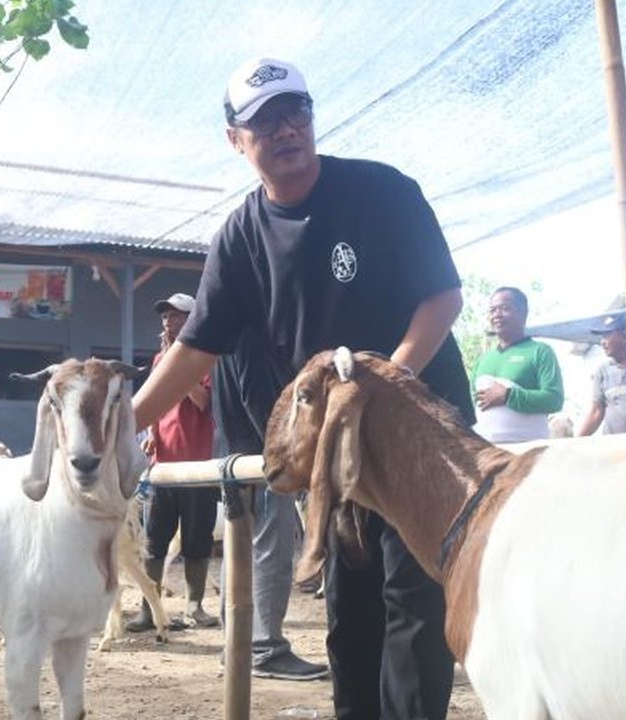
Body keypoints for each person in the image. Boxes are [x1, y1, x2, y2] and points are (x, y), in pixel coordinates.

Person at [132, 57, 472, 719]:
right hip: (339, 449)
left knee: (415, 598)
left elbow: (443, 298)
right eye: (265, 121)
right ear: (236, 139)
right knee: (352, 601)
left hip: (421, 432)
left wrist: (386, 384)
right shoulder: (239, 238)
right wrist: (124, 426)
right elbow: (195, 348)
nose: (286, 129)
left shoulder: (382, 192)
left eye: (297, 112)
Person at [213, 325, 329, 680]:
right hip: (261, 458)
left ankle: (238, 641)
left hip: (232, 453)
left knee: (239, 549)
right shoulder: (254, 334)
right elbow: (257, 397)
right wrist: (285, 454)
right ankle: (263, 647)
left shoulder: (228, 334)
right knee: (270, 551)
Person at [127, 294, 220, 631]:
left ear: (192, 319)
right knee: (154, 538)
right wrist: (150, 432)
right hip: (163, 464)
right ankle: (149, 609)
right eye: (165, 315)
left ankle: (194, 607)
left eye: (176, 315)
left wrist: (179, 369)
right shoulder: (159, 359)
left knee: (197, 540)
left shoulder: (208, 359)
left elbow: (202, 401)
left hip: (198, 464)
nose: (167, 320)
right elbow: (155, 402)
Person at [470, 287, 564, 442]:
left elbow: (554, 399)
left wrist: (508, 396)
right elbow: (472, 408)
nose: (497, 315)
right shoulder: (483, 361)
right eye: (493, 310)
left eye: (505, 308)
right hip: (487, 453)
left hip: (529, 453)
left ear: (523, 313)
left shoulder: (540, 351)